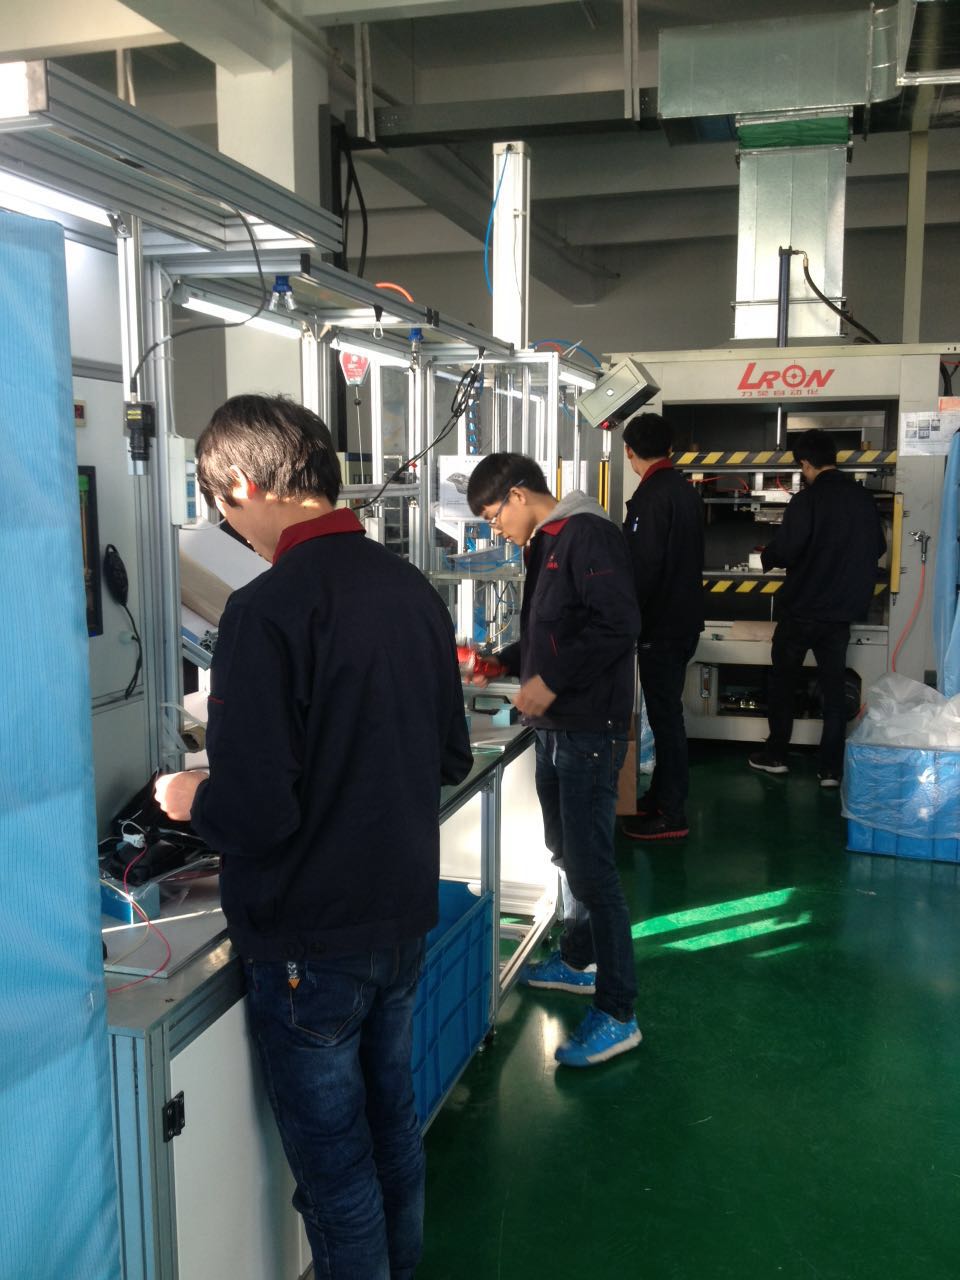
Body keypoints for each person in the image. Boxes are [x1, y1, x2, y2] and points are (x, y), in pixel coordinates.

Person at [154, 394, 472, 1280]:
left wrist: (192, 797)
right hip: (398, 918)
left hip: (308, 942)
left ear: (246, 485)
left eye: (224, 507)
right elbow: (449, 755)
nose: (231, 528)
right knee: (391, 1133)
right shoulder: (412, 591)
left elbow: (257, 814)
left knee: (335, 1176)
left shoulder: (266, 610)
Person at [466, 453, 642, 1068]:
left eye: (494, 516)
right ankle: (578, 959)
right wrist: (506, 661)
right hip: (556, 730)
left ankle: (618, 1012)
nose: (496, 529)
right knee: (566, 852)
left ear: (519, 494)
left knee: (594, 871)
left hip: (587, 728)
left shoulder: (588, 533)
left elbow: (619, 624)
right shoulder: (549, 541)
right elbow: (556, 632)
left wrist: (552, 681)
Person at [748, 428, 886, 787]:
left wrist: (768, 556)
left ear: (806, 464)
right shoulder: (862, 500)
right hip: (840, 614)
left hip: (802, 609)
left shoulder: (807, 501)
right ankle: (830, 770)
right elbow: (878, 547)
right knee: (834, 689)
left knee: (783, 682)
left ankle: (776, 755)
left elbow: (787, 549)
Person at [619, 413, 705, 841]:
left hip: (662, 626)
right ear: (670, 448)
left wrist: (621, 618)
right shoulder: (683, 489)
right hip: (682, 621)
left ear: (629, 451)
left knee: (667, 719)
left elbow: (644, 568)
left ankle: (672, 813)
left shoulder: (652, 496)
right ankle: (659, 797)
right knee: (665, 715)